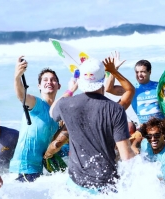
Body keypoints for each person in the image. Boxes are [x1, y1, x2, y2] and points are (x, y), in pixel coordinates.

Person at [49, 57, 135, 194]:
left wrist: (71, 89)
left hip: (75, 185)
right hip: (105, 186)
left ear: (81, 81)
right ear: (102, 82)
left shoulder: (66, 104)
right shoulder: (115, 109)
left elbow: (52, 112)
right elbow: (126, 156)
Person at [9, 56, 61, 182]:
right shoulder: (36, 103)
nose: (49, 82)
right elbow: (22, 96)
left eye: (53, 80)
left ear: (59, 86)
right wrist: (17, 76)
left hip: (36, 169)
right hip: (24, 167)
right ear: (39, 86)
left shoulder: (56, 115)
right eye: (45, 80)